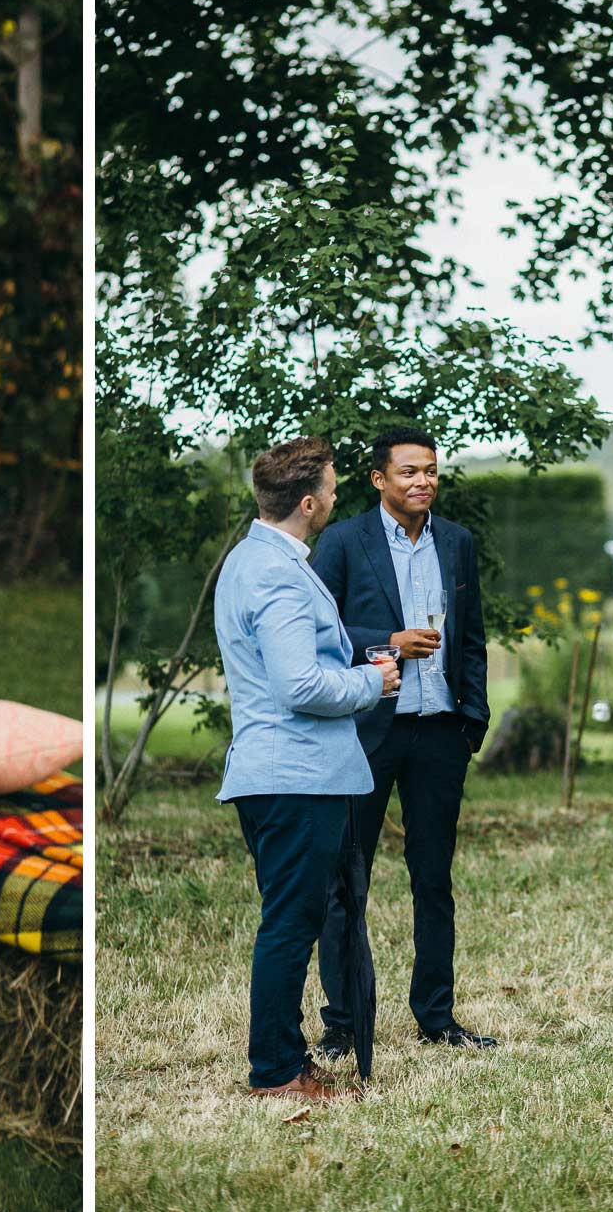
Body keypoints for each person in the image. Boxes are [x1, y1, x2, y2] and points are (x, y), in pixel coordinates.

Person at [214, 436, 398, 1101]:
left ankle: (287, 1058)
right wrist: (372, 682)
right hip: (295, 776)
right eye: (333, 485)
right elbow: (299, 684)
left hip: (280, 774)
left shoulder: (252, 559)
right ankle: (276, 1071)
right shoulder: (276, 573)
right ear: (310, 501)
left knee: (289, 919)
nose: (338, 495)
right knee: (291, 925)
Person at [310, 426, 496, 1056]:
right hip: (367, 732)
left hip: (442, 732)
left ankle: (437, 1017)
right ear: (379, 480)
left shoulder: (457, 542)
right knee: (346, 881)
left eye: (431, 472)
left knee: (434, 878)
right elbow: (320, 631)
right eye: (410, 472)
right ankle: (342, 1024)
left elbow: (472, 637)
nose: (423, 482)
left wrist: (474, 719)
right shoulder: (341, 541)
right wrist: (388, 641)